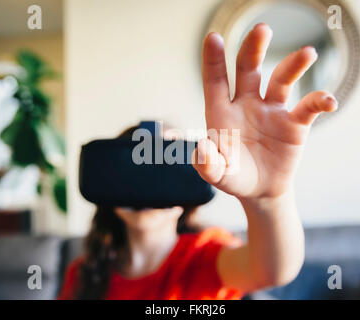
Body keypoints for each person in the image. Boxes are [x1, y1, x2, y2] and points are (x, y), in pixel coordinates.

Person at [58, 23, 338, 300]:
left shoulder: (206, 255)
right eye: (135, 164)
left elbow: (272, 271)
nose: (148, 180)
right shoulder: (84, 273)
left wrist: (268, 199)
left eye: (165, 162)